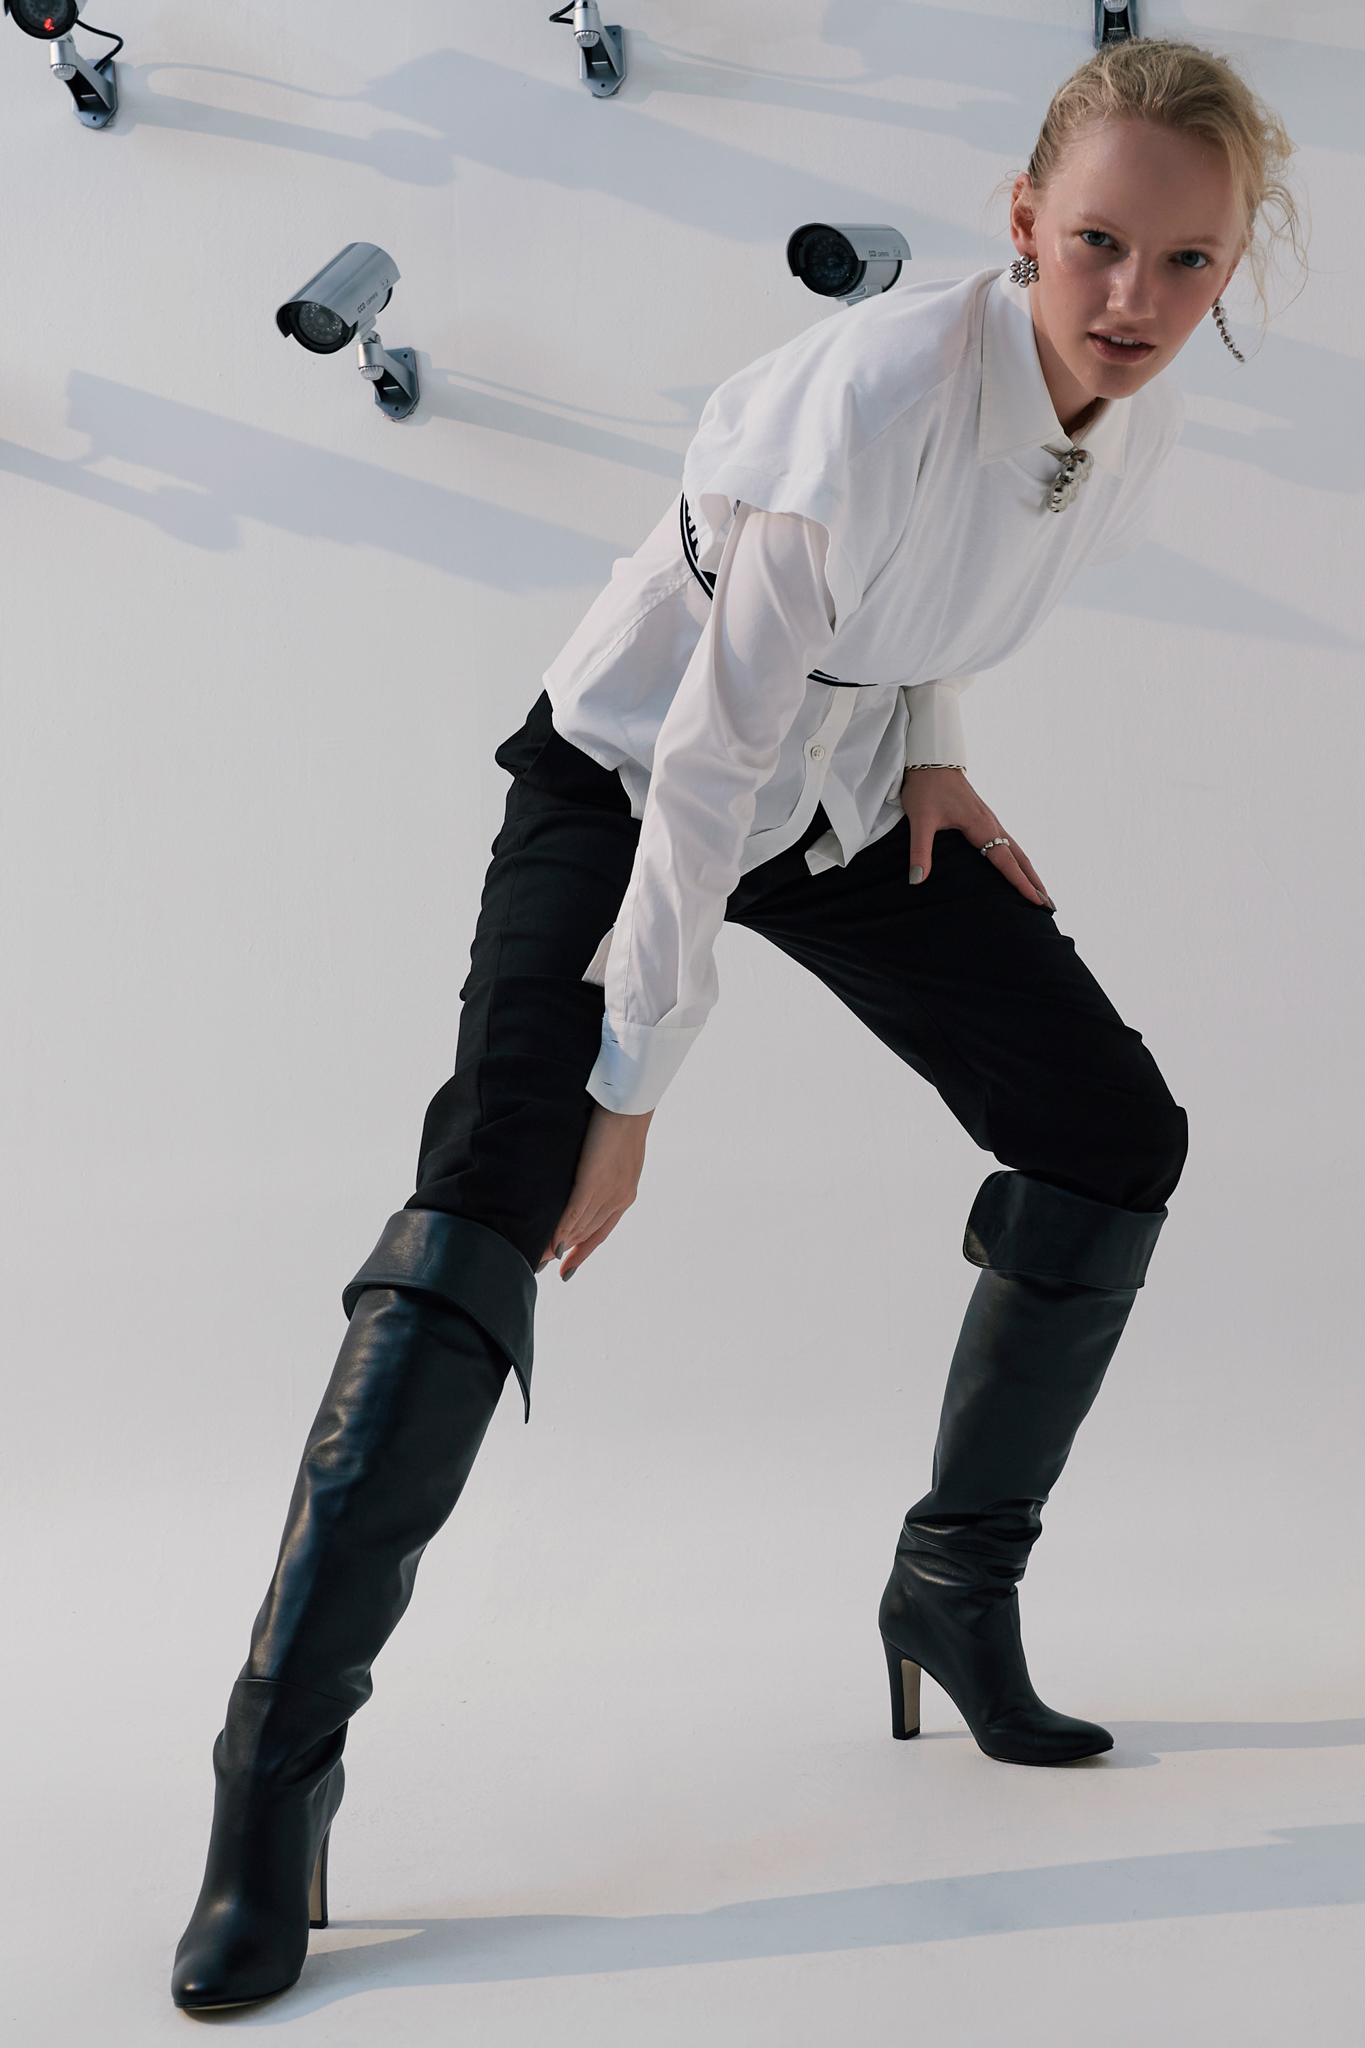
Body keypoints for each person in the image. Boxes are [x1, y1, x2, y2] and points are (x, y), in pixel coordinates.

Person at [172, 38, 1303, 2011]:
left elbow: (940, 590)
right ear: (1019, 221)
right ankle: (270, 1780)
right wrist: (627, 1092)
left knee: (1110, 1132)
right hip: (637, 773)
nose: (1133, 299)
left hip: (843, 790)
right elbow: (705, 764)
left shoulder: (1129, 417)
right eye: (1097, 246)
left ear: (1229, 265)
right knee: (497, 1184)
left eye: (1185, 262)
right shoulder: (868, 391)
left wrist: (931, 743)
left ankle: (949, 1588)